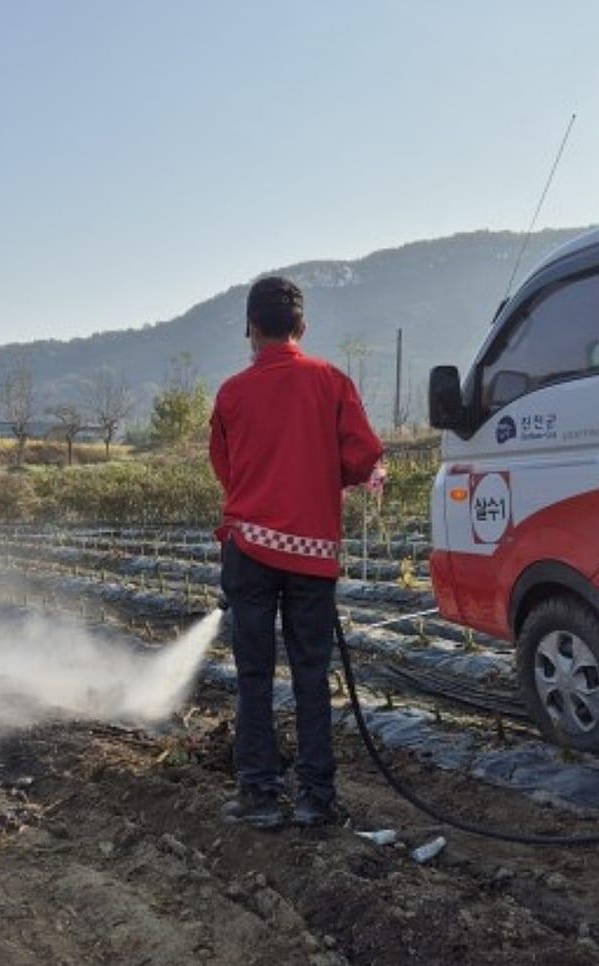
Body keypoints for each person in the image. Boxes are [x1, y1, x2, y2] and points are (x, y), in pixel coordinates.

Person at [209, 275, 384, 829]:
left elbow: (226, 469)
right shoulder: (331, 382)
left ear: (251, 330)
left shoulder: (232, 393)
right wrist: (325, 475)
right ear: (301, 328)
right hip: (313, 556)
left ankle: (259, 795)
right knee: (311, 673)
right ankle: (315, 798)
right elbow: (364, 458)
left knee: (254, 675)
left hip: (250, 551)